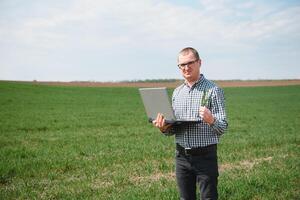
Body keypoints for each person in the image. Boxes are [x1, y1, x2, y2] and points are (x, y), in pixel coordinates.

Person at [153, 47, 228, 200]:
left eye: (190, 63)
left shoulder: (213, 90)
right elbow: (173, 129)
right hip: (181, 157)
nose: (186, 67)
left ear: (199, 63)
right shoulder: (177, 92)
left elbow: (223, 127)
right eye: (182, 65)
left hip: (205, 156)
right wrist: (163, 127)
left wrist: (211, 120)